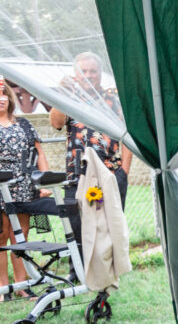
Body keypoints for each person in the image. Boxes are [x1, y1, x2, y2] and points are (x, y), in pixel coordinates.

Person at [48, 51, 133, 248]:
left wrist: (124, 172)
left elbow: (127, 136)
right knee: (76, 224)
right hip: (77, 174)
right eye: (83, 71)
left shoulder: (113, 98)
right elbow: (56, 123)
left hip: (110, 172)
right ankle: (78, 271)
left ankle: (109, 273)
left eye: (93, 71)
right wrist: (62, 94)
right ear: (76, 74)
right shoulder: (69, 99)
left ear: (100, 73)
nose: (89, 75)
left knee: (108, 226)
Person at [0, 81, 51, 298]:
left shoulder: (24, 124)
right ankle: (2, 288)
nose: (1, 97)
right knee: (1, 238)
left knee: (20, 237)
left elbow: (39, 153)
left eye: (4, 93)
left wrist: (45, 182)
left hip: (23, 186)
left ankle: (21, 285)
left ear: (10, 97)